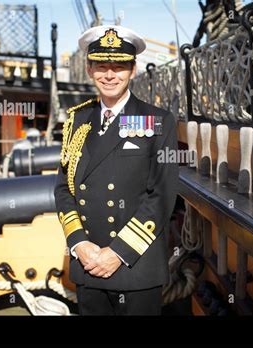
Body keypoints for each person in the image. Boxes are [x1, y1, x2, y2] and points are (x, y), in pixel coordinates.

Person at [54, 25, 179, 315]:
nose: (110, 75)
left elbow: (161, 195)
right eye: (101, 65)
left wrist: (118, 252)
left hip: (135, 267)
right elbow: (63, 187)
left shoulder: (157, 120)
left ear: (132, 70)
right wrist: (78, 243)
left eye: (119, 66)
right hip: (88, 263)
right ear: (89, 69)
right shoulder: (77, 120)